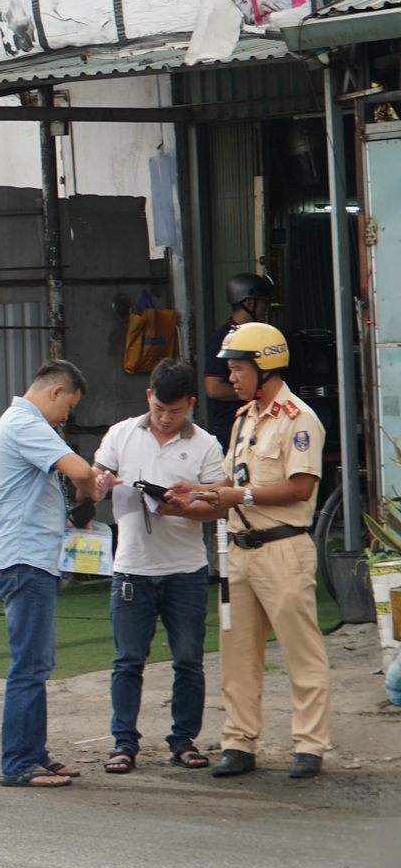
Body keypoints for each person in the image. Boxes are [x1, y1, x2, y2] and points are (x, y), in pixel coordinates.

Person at [168, 321, 329, 780]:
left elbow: (300, 487)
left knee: (302, 651)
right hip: (237, 551)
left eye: (238, 368)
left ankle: (310, 744)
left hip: (282, 549)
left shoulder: (298, 419)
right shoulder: (243, 420)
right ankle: (239, 742)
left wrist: (239, 497)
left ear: (265, 366)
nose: (230, 377)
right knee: (236, 652)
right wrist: (193, 492)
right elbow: (231, 483)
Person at [92, 358, 227, 774]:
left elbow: (218, 505)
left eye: (176, 411)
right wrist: (98, 483)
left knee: (188, 658)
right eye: (159, 410)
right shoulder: (121, 434)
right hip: (132, 567)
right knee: (128, 659)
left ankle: (183, 740)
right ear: (148, 397)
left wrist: (184, 507)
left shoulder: (206, 445)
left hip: (185, 568)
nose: (166, 419)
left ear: (190, 404)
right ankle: (123, 743)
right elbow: (96, 478)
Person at [0, 359, 100, 789]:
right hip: (25, 558)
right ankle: (18, 763)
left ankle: (35, 754)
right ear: (54, 392)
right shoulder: (25, 424)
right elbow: (82, 472)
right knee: (29, 665)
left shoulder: (25, 426)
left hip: (32, 558)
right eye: (68, 407)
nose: (66, 417)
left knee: (37, 662)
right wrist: (90, 494)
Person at [204, 273, 272, 444]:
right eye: (263, 305)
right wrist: (256, 392)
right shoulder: (222, 338)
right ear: (249, 303)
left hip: (256, 422)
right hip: (230, 428)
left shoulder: (258, 336)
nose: (265, 311)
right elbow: (213, 388)